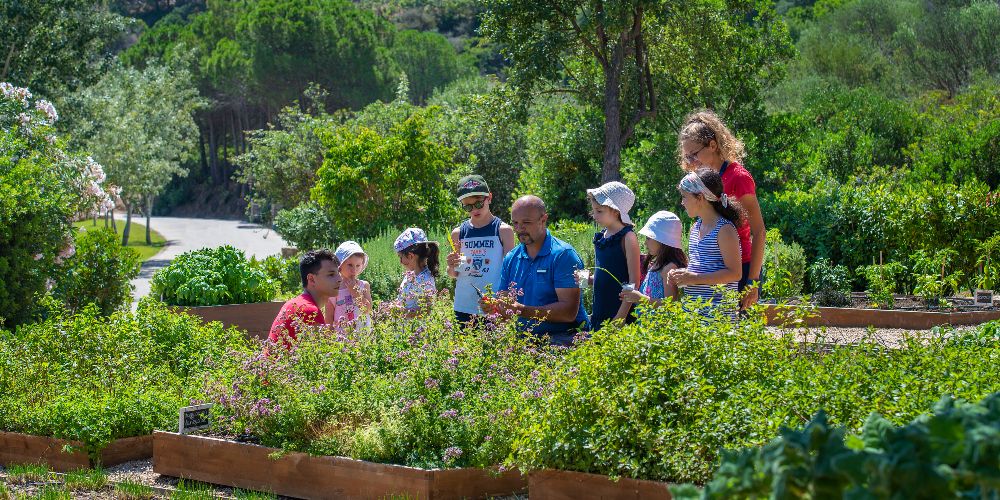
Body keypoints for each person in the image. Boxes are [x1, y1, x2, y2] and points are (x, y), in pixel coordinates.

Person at [678, 110, 766, 309]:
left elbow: (759, 231)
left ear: (712, 145)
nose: (690, 162)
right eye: (687, 156)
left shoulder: (739, 178)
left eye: (694, 154)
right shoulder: (699, 180)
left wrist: (752, 282)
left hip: (739, 270)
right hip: (710, 273)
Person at [485, 195, 590, 346]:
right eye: (515, 223)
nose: (520, 229)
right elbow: (506, 310)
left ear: (543, 219)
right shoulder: (511, 258)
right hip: (525, 340)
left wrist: (522, 310)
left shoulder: (564, 255)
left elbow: (569, 312)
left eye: (526, 222)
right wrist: (494, 308)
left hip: (566, 339)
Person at [668, 169, 745, 319]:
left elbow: (735, 273)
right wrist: (681, 275)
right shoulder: (695, 228)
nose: (682, 202)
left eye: (684, 197)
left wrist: (694, 278)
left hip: (718, 319)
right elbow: (700, 268)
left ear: (700, 197)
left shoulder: (725, 230)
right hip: (694, 314)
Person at [445, 175, 516, 324]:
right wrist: (451, 266)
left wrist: (502, 303)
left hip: (492, 307)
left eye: (478, 204)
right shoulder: (458, 233)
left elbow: (511, 273)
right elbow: (455, 273)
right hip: (463, 307)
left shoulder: (503, 231)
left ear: (489, 198)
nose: (474, 210)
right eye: (467, 206)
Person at [579, 181, 641, 330]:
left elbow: (633, 282)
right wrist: (588, 279)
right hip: (600, 308)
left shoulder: (628, 237)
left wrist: (621, 317)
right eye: (594, 211)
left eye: (599, 211)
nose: (594, 215)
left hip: (619, 310)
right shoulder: (601, 237)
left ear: (616, 211)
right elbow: (606, 275)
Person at [268, 249, 342, 345]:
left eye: (338, 273)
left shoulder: (295, 303)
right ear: (311, 279)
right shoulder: (309, 311)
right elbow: (323, 356)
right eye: (331, 274)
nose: (340, 279)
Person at [620, 210, 686, 307]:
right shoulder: (657, 264)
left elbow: (670, 304)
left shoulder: (669, 268)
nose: (645, 243)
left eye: (648, 238)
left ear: (662, 240)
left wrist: (640, 299)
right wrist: (632, 296)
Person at [326, 240, 372, 329]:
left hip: (362, 336)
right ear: (339, 265)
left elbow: (367, 310)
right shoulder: (333, 289)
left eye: (358, 265)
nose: (354, 270)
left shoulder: (364, 285)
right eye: (350, 265)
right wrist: (329, 340)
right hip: (342, 339)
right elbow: (328, 318)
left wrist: (356, 293)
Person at [394, 227, 440, 317]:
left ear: (410, 256)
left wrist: (401, 311)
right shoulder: (410, 275)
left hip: (417, 330)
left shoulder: (426, 279)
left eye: (400, 257)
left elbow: (426, 311)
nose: (400, 261)